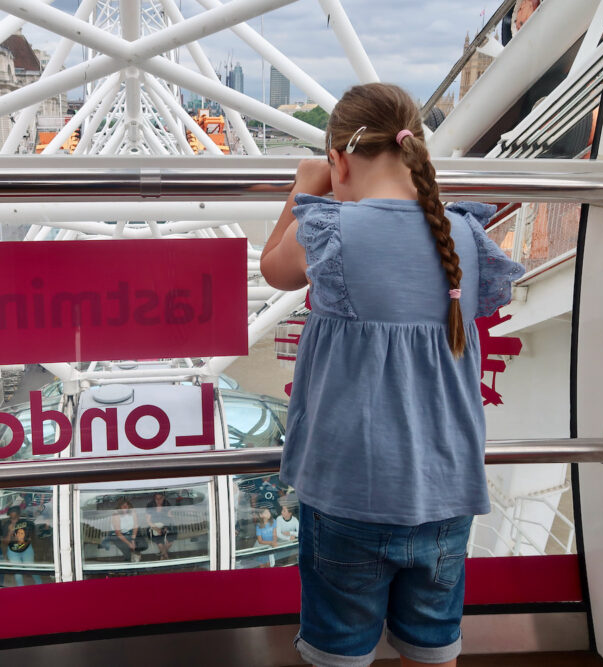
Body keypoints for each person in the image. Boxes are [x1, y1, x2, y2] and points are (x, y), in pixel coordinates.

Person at [260, 83, 524, 667]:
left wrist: (304, 187)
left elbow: (273, 269)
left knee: (340, 653)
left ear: (338, 161)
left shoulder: (330, 230)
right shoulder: (464, 237)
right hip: (447, 495)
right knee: (433, 650)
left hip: (349, 496)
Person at [1, 505, 43, 586]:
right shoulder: (7, 525)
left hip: (27, 549)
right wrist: (10, 531)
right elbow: (5, 543)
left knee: (32, 569)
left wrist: (31, 541)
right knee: (17, 573)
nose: (14, 520)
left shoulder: (26, 522)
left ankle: (40, 584)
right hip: (13, 551)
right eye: (11, 518)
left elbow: (33, 535)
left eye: (15, 517)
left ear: (19, 515)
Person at [107, 498, 143, 562]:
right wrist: (129, 544)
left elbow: (135, 525)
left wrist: (133, 540)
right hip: (117, 534)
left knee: (143, 545)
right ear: (119, 507)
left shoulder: (133, 512)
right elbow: (118, 533)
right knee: (127, 548)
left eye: (127, 505)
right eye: (123, 506)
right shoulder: (116, 514)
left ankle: (133, 558)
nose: (125, 507)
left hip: (129, 532)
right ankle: (129, 563)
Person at [145, 492, 178, 560]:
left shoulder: (166, 504)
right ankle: (165, 557)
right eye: (157, 498)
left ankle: (162, 555)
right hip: (153, 526)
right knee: (159, 542)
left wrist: (166, 527)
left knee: (170, 541)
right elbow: (148, 521)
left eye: (160, 498)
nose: (158, 500)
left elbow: (170, 519)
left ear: (163, 498)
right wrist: (156, 529)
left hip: (165, 525)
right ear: (154, 498)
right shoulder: (150, 505)